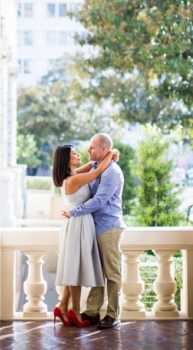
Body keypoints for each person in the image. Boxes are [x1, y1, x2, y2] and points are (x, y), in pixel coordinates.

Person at [62, 133, 126, 329]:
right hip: (93, 227)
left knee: (112, 274)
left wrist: (73, 211)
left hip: (108, 226)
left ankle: (113, 315)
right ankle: (92, 311)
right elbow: (73, 176)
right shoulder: (98, 167)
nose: (88, 150)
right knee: (98, 273)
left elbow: (99, 201)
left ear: (103, 150)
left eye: (92, 147)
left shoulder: (111, 172)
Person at [51, 144, 115, 327]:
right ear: (66, 159)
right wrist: (110, 152)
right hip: (77, 224)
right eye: (74, 153)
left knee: (74, 267)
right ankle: (75, 312)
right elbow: (98, 170)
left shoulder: (73, 175)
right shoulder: (73, 180)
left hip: (78, 223)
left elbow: (90, 165)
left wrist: (101, 156)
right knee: (75, 270)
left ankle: (63, 307)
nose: (78, 154)